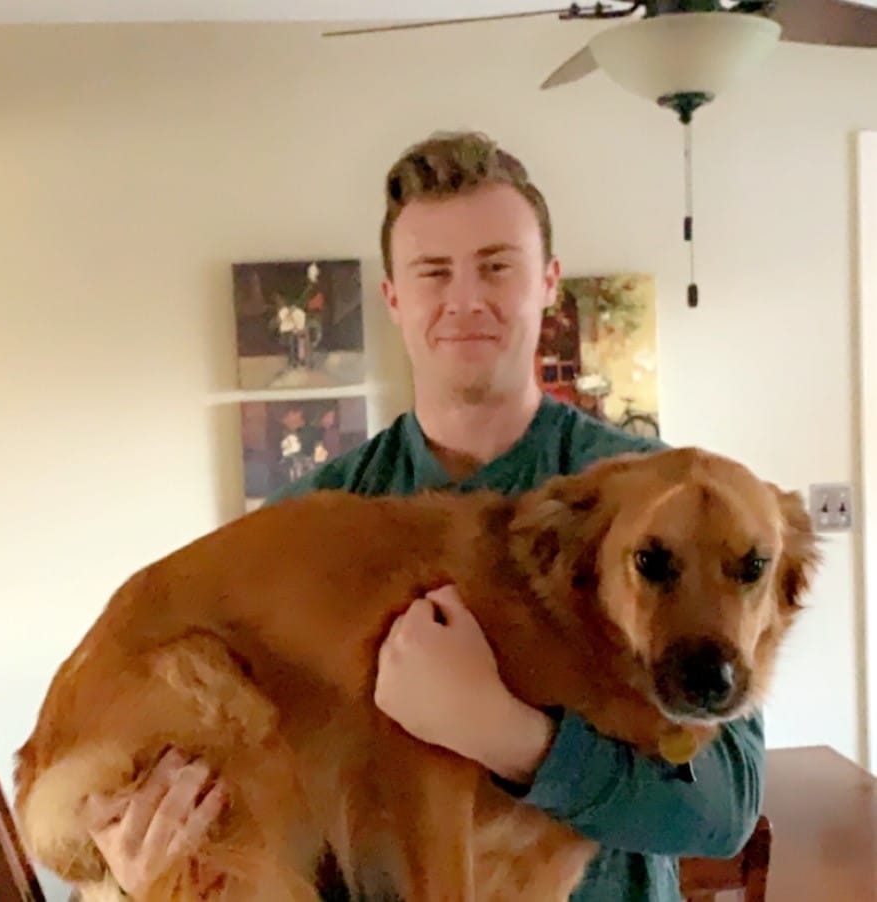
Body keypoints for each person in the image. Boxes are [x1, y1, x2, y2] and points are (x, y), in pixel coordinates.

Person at [77, 130, 764, 901]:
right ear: (395, 300)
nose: (465, 300)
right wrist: (129, 876)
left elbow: (723, 811)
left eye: (497, 266)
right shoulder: (317, 522)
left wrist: (506, 734)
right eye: (434, 272)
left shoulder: (655, 508)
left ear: (548, 283)